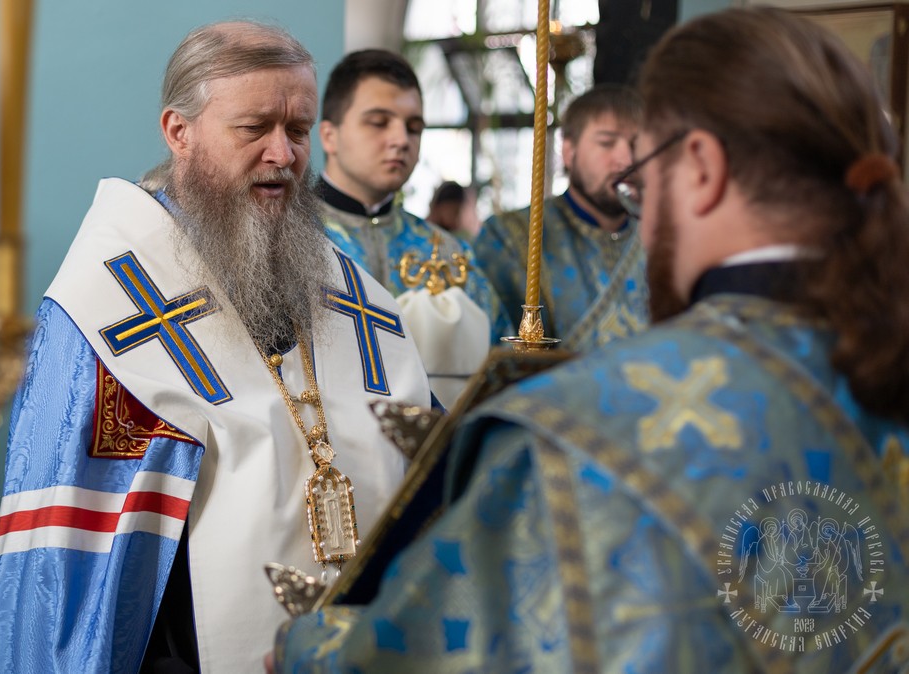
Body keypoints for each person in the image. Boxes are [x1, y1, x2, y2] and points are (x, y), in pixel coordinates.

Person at [274, 8, 909, 672]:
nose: (639, 206)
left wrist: (303, 647)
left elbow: (431, 653)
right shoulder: (880, 361)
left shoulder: (571, 435)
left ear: (700, 168)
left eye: (647, 170)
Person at [0, 21, 432, 674]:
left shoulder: (348, 291)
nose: (283, 154)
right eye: (254, 128)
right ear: (179, 131)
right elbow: (80, 558)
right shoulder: (101, 308)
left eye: (299, 130)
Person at [315, 49, 508, 341]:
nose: (401, 139)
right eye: (379, 122)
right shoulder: (285, 237)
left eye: (414, 128)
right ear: (330, 136)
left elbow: (497, 350)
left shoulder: (446, 252)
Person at [475, 85, 649, 351]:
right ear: (569, 152)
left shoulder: (663, 238)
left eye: (636, 145)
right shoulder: (510, 236)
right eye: (607, 143)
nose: (626, 160)